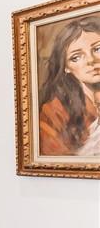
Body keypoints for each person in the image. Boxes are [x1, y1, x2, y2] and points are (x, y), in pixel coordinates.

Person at [38, 16, 100, 157]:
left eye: (98, 49)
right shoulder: (54, 112)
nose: (91, 60)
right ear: (66, 67)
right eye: (76, 57)